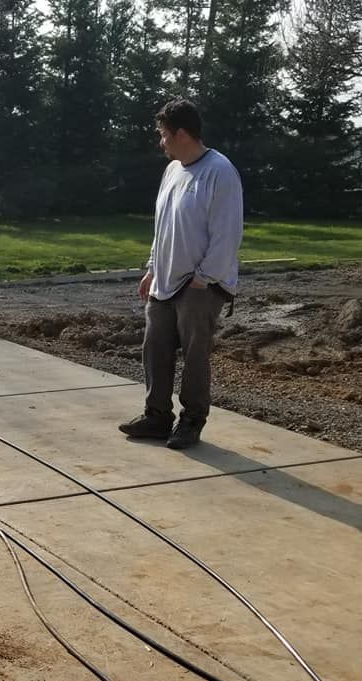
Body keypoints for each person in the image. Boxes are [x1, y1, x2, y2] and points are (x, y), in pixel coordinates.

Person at [119, 98, 243, 450]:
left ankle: (192, 420)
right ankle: (157, 416)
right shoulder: (173, 171)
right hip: (165, 280)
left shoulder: (220, 172)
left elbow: (227, 232)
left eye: (164, 135)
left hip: (200, 284)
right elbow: (165, 226)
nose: (161, 142)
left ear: (183, 134)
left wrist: (205, 277)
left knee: (193, 355)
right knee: (154, 348)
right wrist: (151, 267)